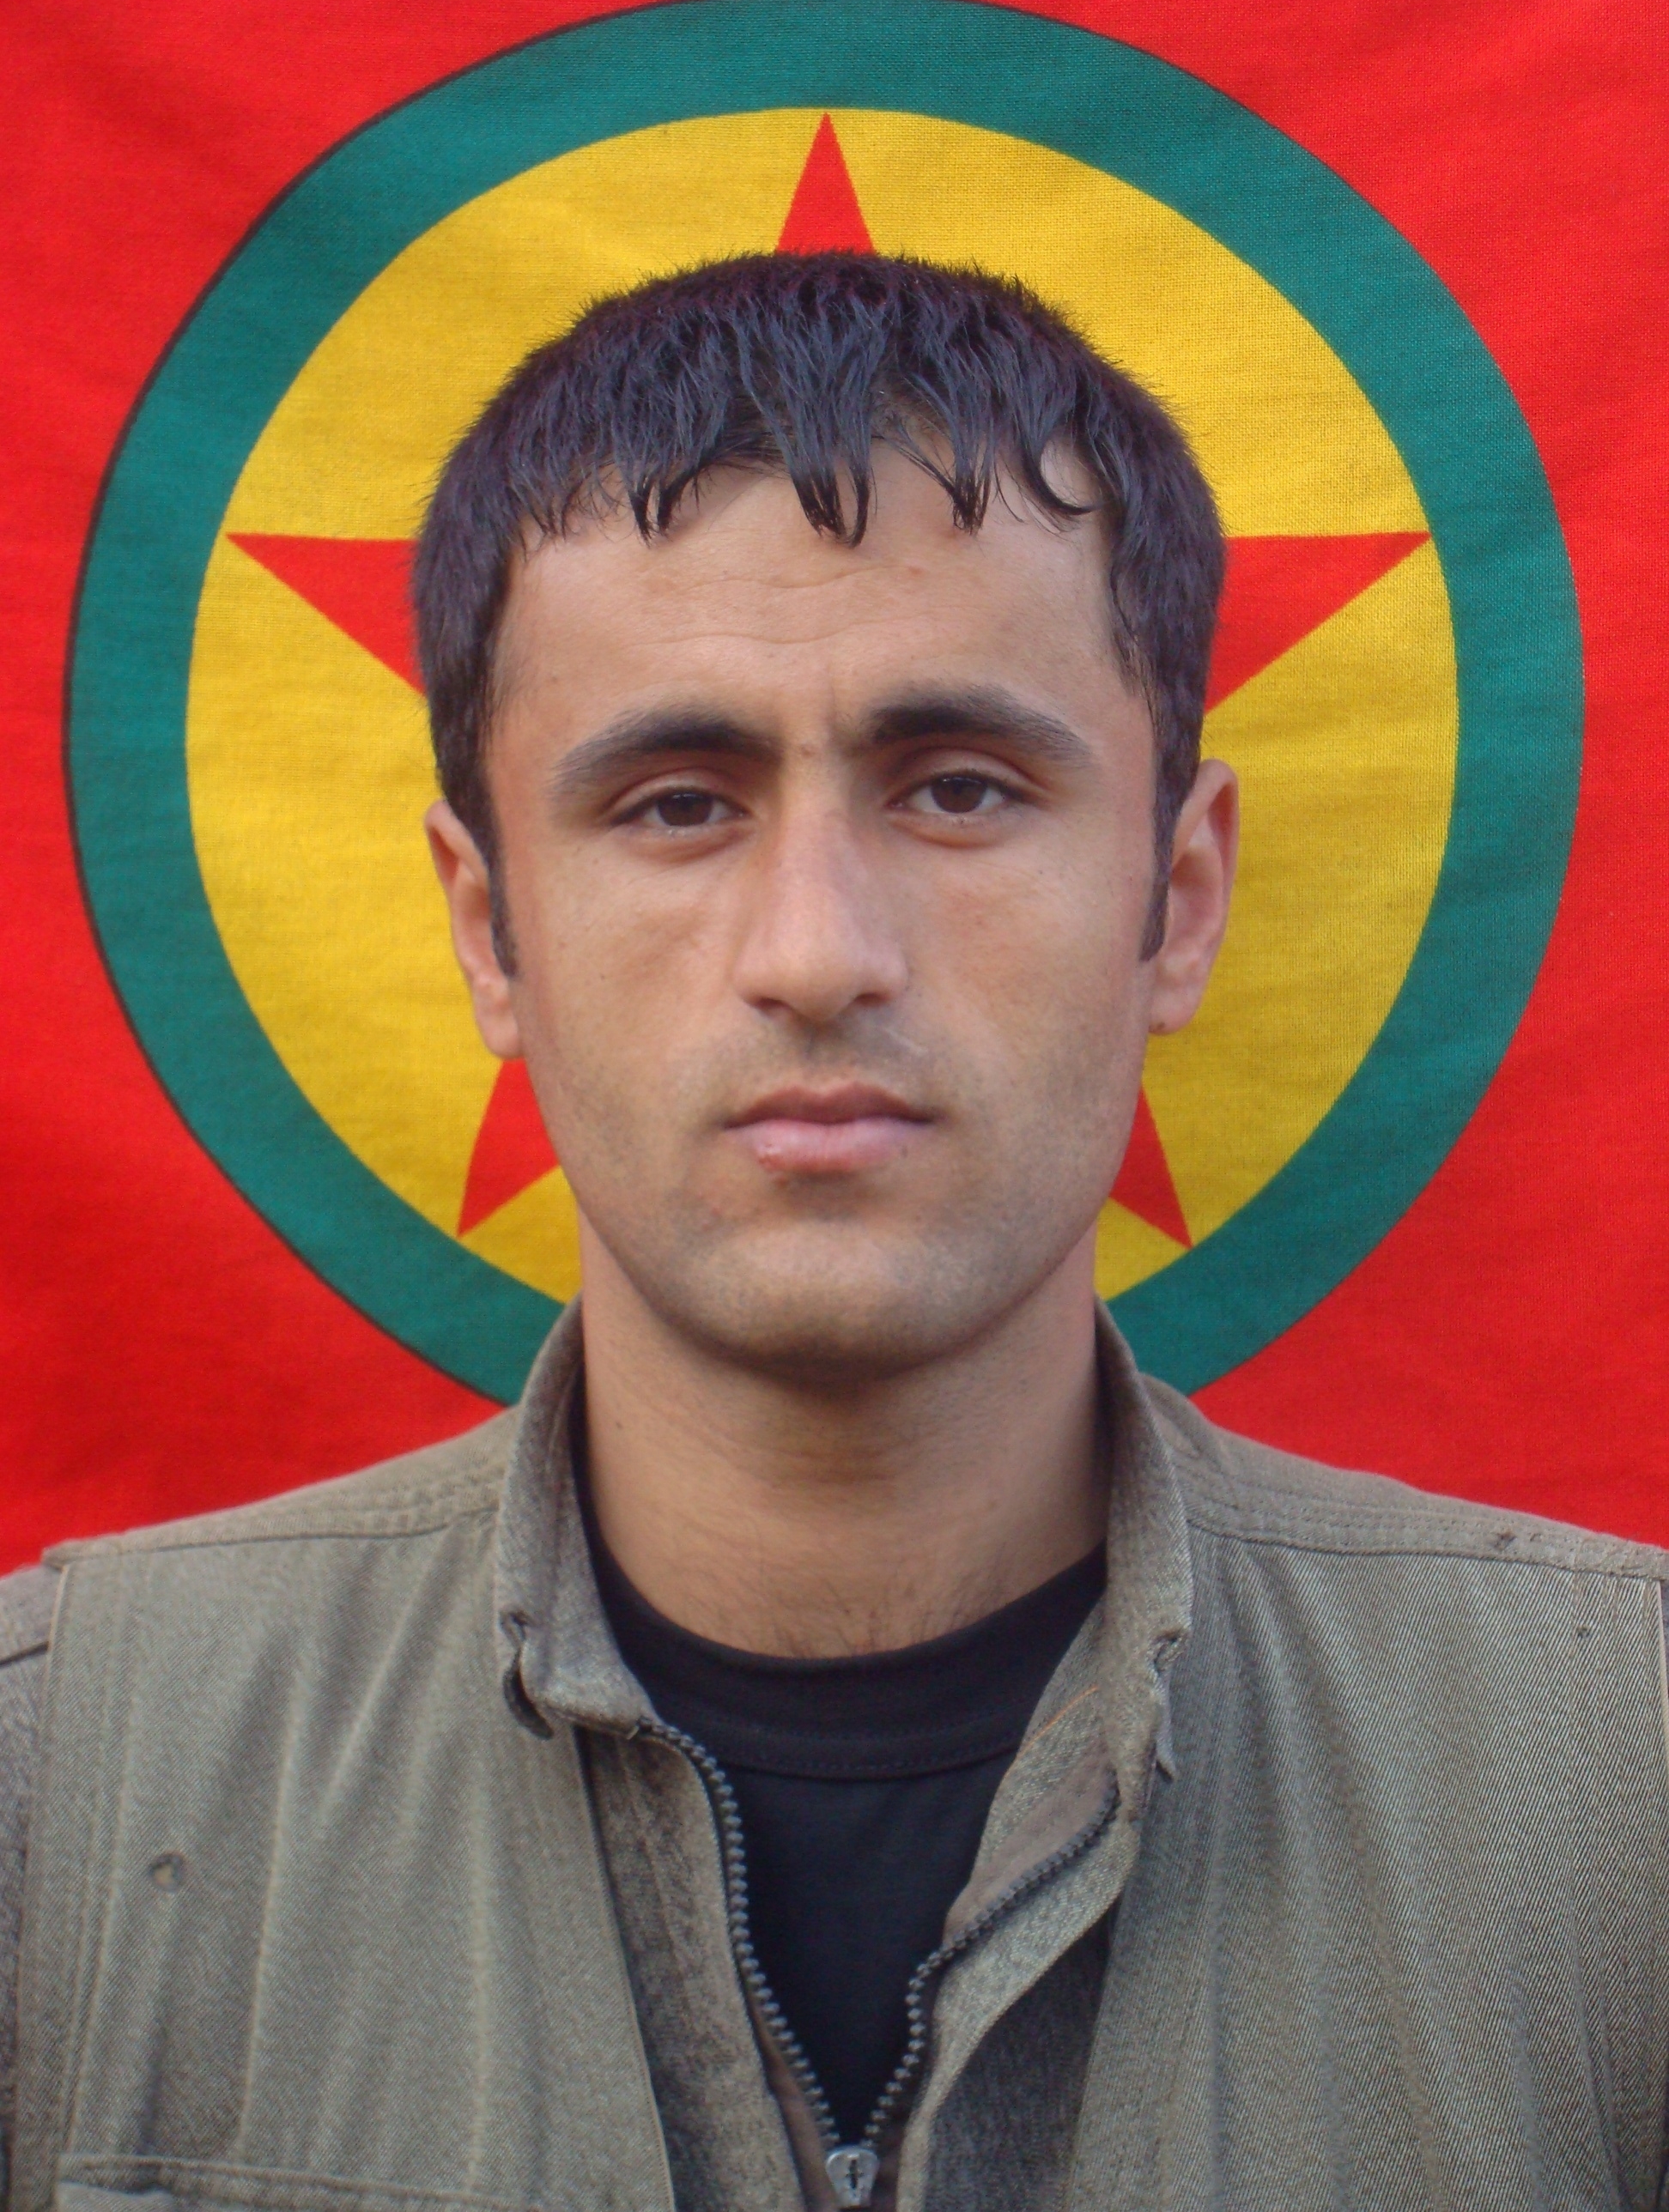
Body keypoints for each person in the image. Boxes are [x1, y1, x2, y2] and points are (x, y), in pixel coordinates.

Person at [2, 253, 1666, 2212]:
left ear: (1183, 894)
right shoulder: (54, 1791)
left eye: (959, 789)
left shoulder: (1619, 1792)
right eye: (675, 804)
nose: (816, 953)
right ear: (488, 929)